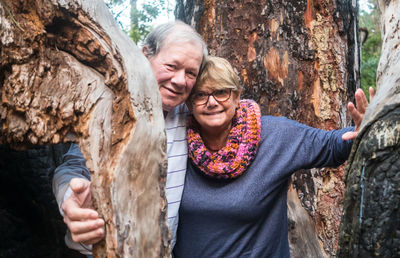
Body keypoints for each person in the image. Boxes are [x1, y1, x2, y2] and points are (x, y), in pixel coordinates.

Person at [172, 56, 374, 257]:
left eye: (221, 92)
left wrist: (365, 128)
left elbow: (330, 145)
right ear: (189, 103)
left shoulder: (275, 136)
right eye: (200, 95)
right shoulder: (176, 143)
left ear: (236, 96)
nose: (212, 102)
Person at [52, 20, 208, 255]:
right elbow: (72, 166)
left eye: (190, 73)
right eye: (172, 66)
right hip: (94, 252)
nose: (179, 80)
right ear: (145, 55)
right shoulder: (107, 103)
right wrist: (69, 199)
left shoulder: (190, 114)